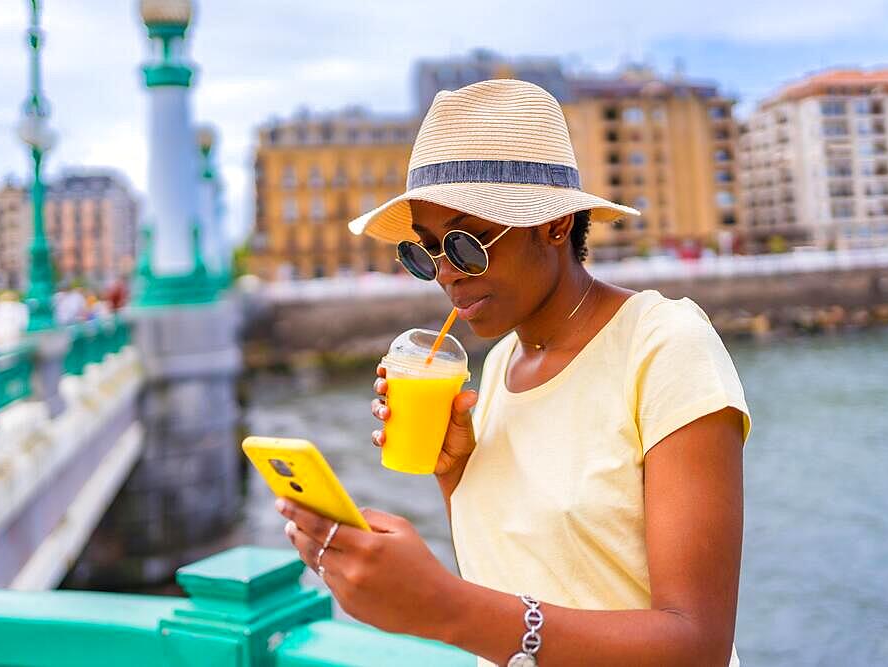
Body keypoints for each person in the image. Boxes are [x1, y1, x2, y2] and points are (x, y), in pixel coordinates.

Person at [276, 80, 751, 666]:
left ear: (553, 226)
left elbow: (696, 644)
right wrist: (454, 475)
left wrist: (442, 607)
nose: (448, 275)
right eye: (425, 252)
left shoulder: (662, 345)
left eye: (466, 244)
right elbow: (514, 579)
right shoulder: (498, 365)